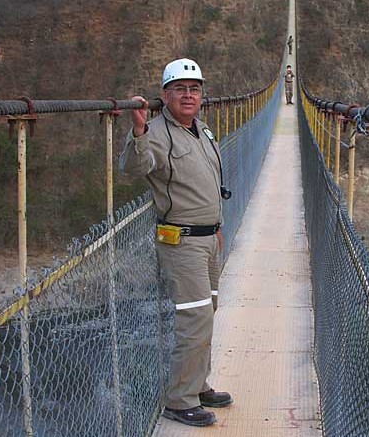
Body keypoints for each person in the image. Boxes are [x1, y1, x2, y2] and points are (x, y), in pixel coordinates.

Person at [120, 58, 232, 427]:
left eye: (194, 88)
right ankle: (180, 400)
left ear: (202, 95)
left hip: (207, 237)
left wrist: (216, 225)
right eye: (180, 89)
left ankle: (197, 385)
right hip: (180, 242)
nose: (188, 94)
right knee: (195, 317)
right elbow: (136, 168)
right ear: (165, 95)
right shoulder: (155, 131)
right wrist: (137, 131)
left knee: (207, 312)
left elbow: (208, 184)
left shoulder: (202, 130)